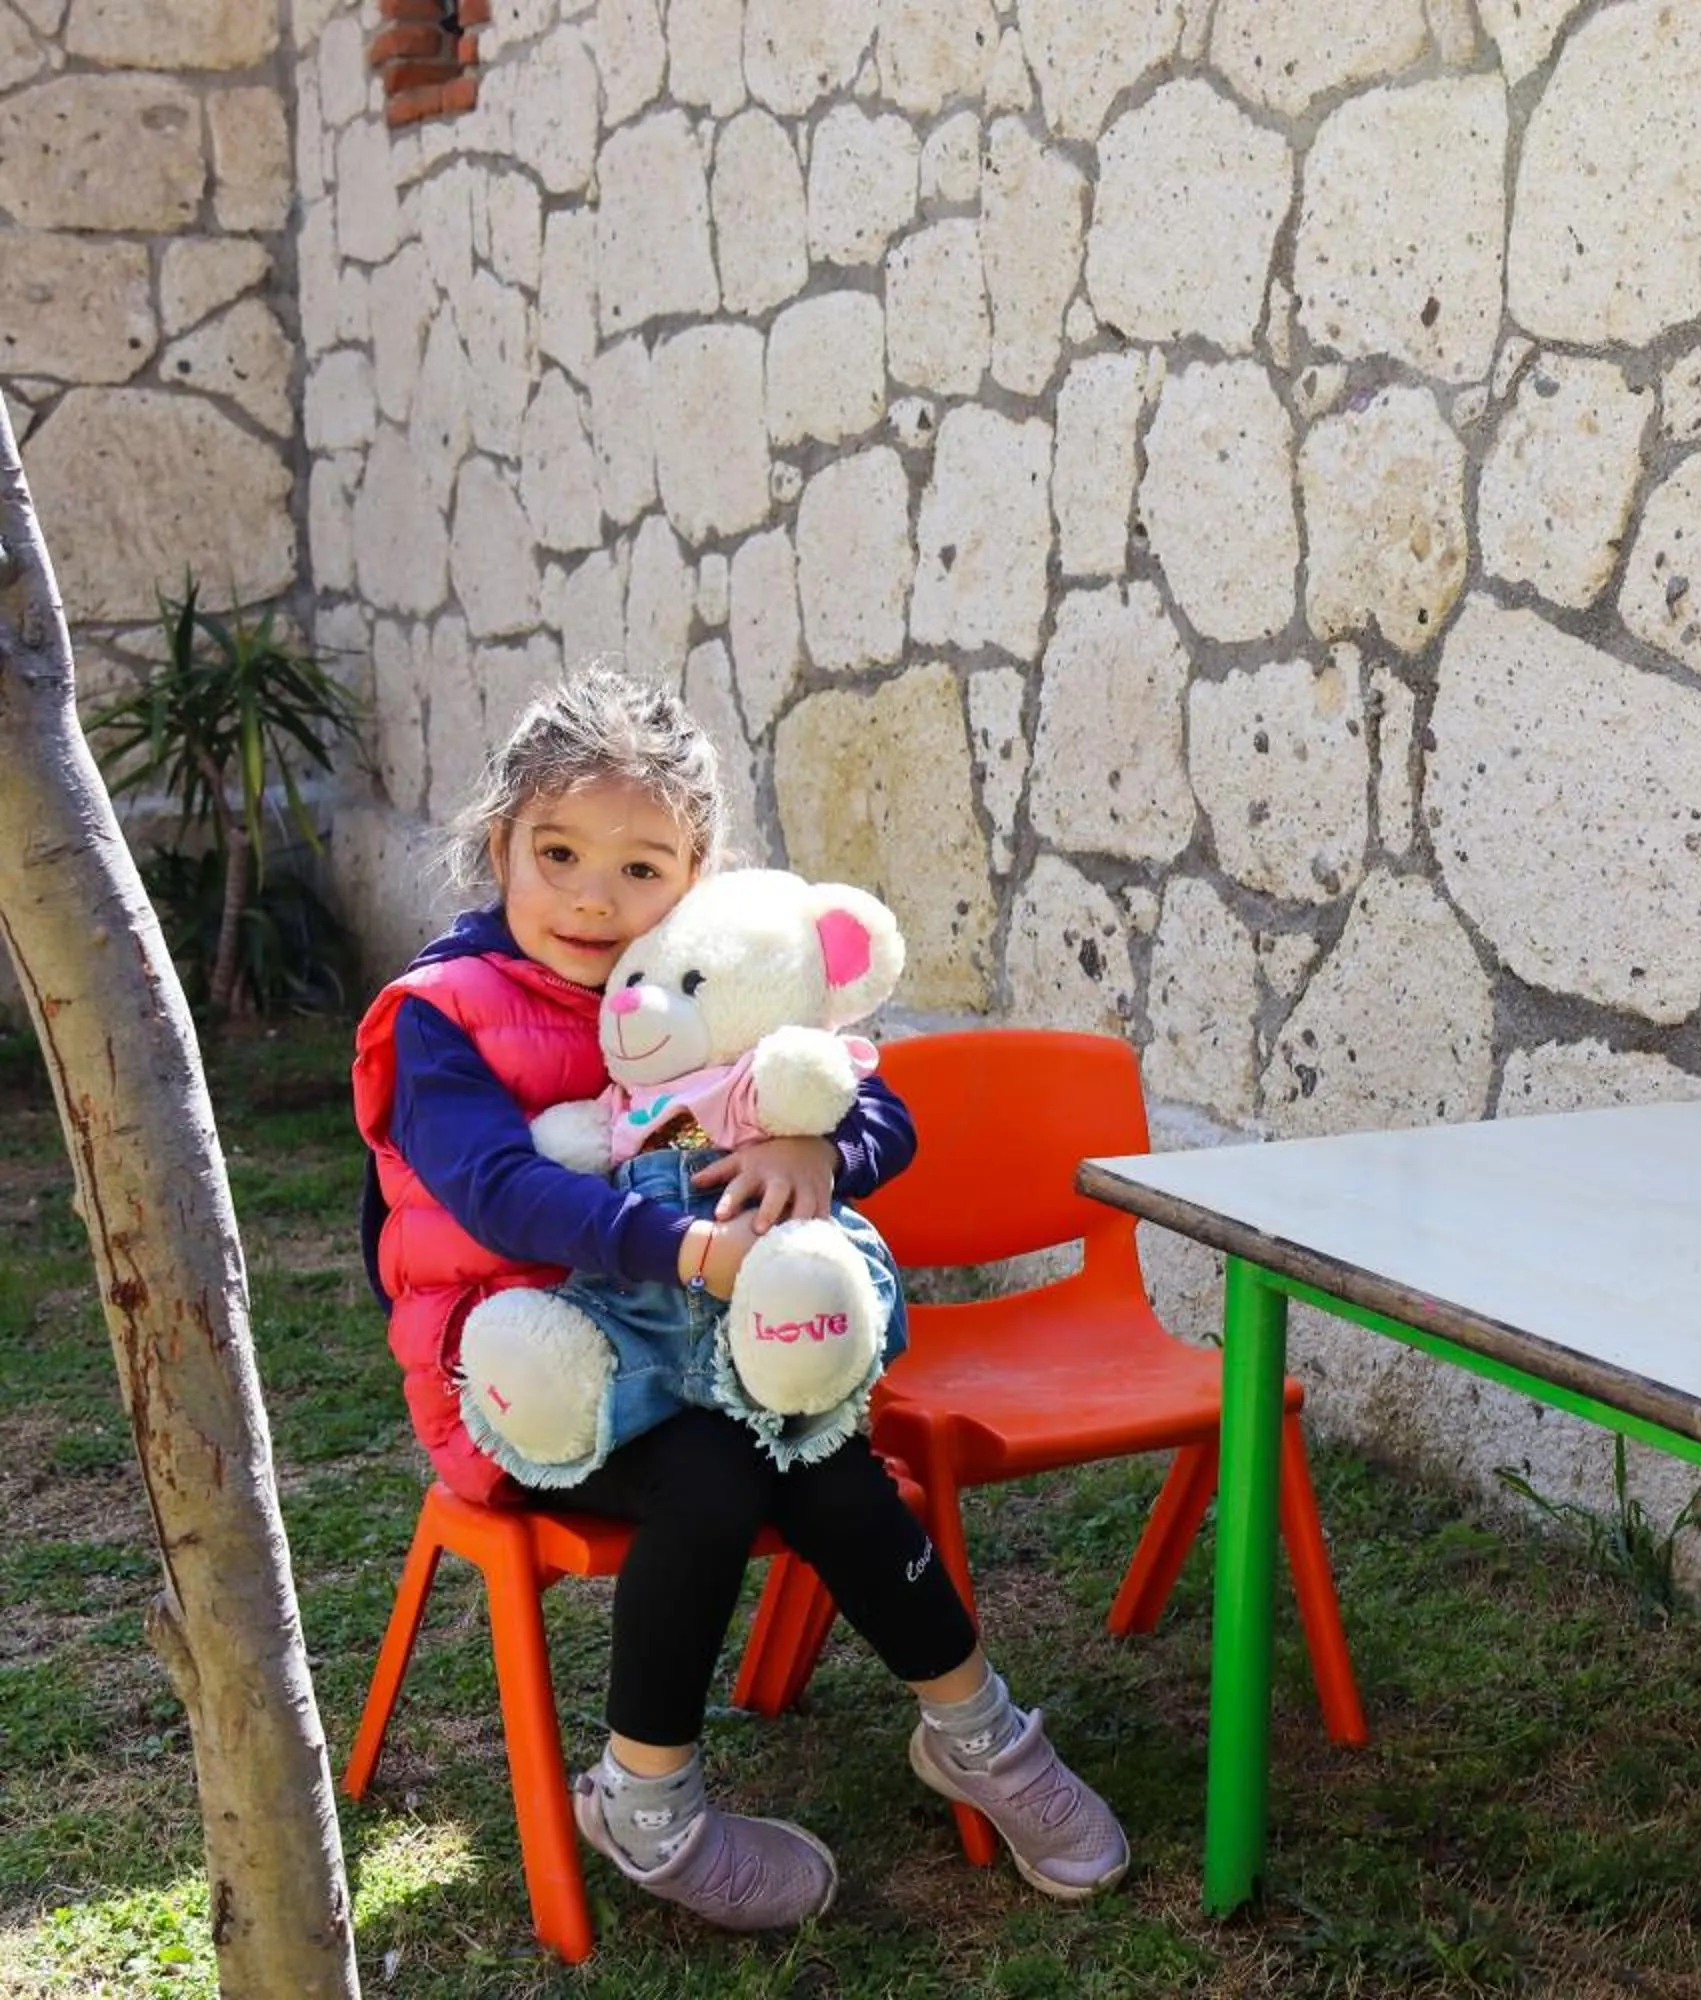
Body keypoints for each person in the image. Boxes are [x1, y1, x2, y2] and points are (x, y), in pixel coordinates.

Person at [350, 671, 1128, 1927]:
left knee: (832, 1467)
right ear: (500, 844)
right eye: (558, 853)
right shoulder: (442, 1016)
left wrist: (822, 1148)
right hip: (528, 1374)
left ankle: (979, 1735)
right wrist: (689, 1252)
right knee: (715, 1477)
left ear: (696, 873)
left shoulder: (701, 970)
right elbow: (498, 1194)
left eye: (641, 868)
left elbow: (872, 1098)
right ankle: (645, 1804)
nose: (594, 898)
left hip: (714, 1352)